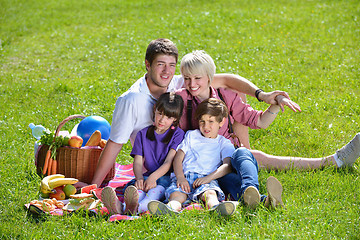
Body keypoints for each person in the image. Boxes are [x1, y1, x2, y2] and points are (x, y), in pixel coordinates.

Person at [84, 38, 291, 188]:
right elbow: (115, 142)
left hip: (214, 150)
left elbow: (228, 80)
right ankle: (251, 188)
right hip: (178, 161)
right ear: (147, 65)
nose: (167, 72)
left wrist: (264, 96)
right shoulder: (138, 99)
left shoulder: (181, 82)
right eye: (160, 65)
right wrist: (94, 184)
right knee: (231, 175)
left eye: (171, 66)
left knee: (243, 155)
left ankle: (248, 171)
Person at [175, 50, 360, 201]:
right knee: (234, 177)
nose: (192, 84)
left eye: (197, 78)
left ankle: (333, 161)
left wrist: (275, 105)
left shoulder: (225, 96)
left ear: (209, 78)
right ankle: (261, 198)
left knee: (246, 154)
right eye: (187, 78)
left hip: (226, 155)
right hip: (202, 161)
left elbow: (259, 121)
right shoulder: (181, 99)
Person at [147, 99, 284, 216]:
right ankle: (170, 209)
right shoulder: (191, 135)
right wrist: (180, 177)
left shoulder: (223, 143)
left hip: (207, 177)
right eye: (202, 121)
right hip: (186, 176)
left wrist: (209, 178)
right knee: (176, 196)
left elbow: (227, 165)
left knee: (210, 195)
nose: (205, 126)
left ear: (221, 122)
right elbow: (178, 158)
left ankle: (217, 208)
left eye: (211, 121)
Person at [101, 92, 185, 215]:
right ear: (155, 110)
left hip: (165, 178)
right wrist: (139, 177)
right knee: (137, 190)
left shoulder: (177, 134)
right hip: (146, 176)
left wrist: (154, 178)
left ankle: (137, 208)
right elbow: (138, 161)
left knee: (154, 192)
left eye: (168, 117)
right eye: (160, 114)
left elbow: (169, 162)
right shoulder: (143, 134)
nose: (162, 120)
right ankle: (122, 206)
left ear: (175, 119)